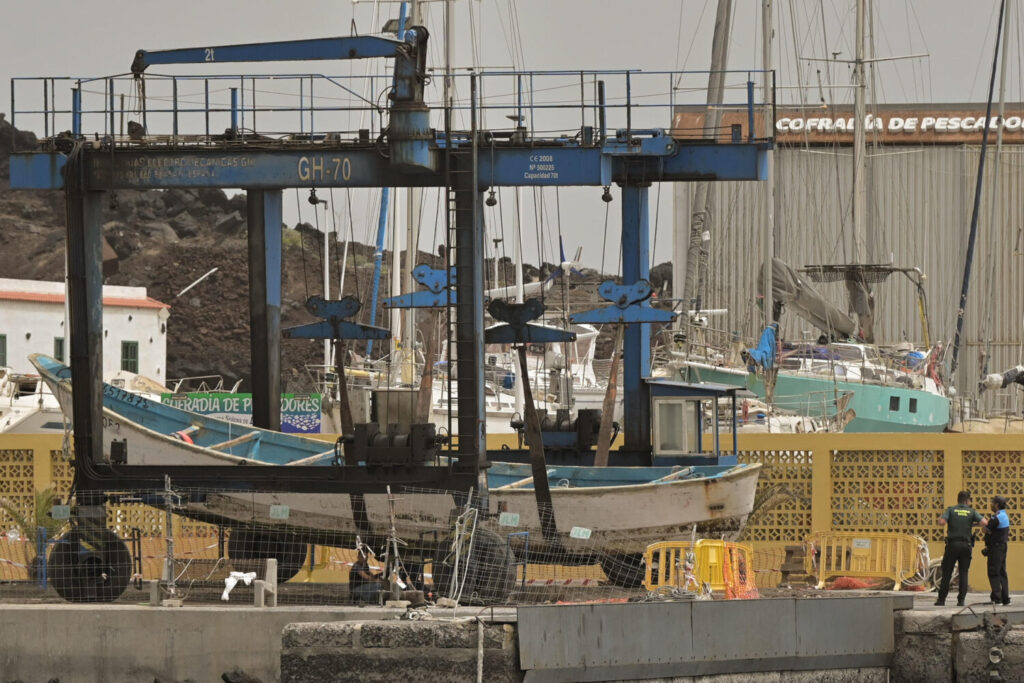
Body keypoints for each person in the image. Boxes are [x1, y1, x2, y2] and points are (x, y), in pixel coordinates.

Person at [935, 490, 984, 606]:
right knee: (963, 572)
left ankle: (941, 600)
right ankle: (961, 600)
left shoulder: (951, 510)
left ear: (958, 500)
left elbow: (941, 522)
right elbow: (984, 522)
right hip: (966, 546)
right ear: (967, 500)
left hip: (952, 545)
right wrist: (973, 524)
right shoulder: (972, 512)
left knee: (947, 572)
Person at [982, 495, 1011, 606]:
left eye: (992, 503)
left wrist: (985, 529)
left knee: (993, 572)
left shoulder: (996, 517)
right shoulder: (1004, 515)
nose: (991, 505)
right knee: (1002, 572)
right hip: (1003, 547)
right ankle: (1005, 598)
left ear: (997, 505)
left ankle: (996, 599)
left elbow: (985, 529)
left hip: (996, 548)